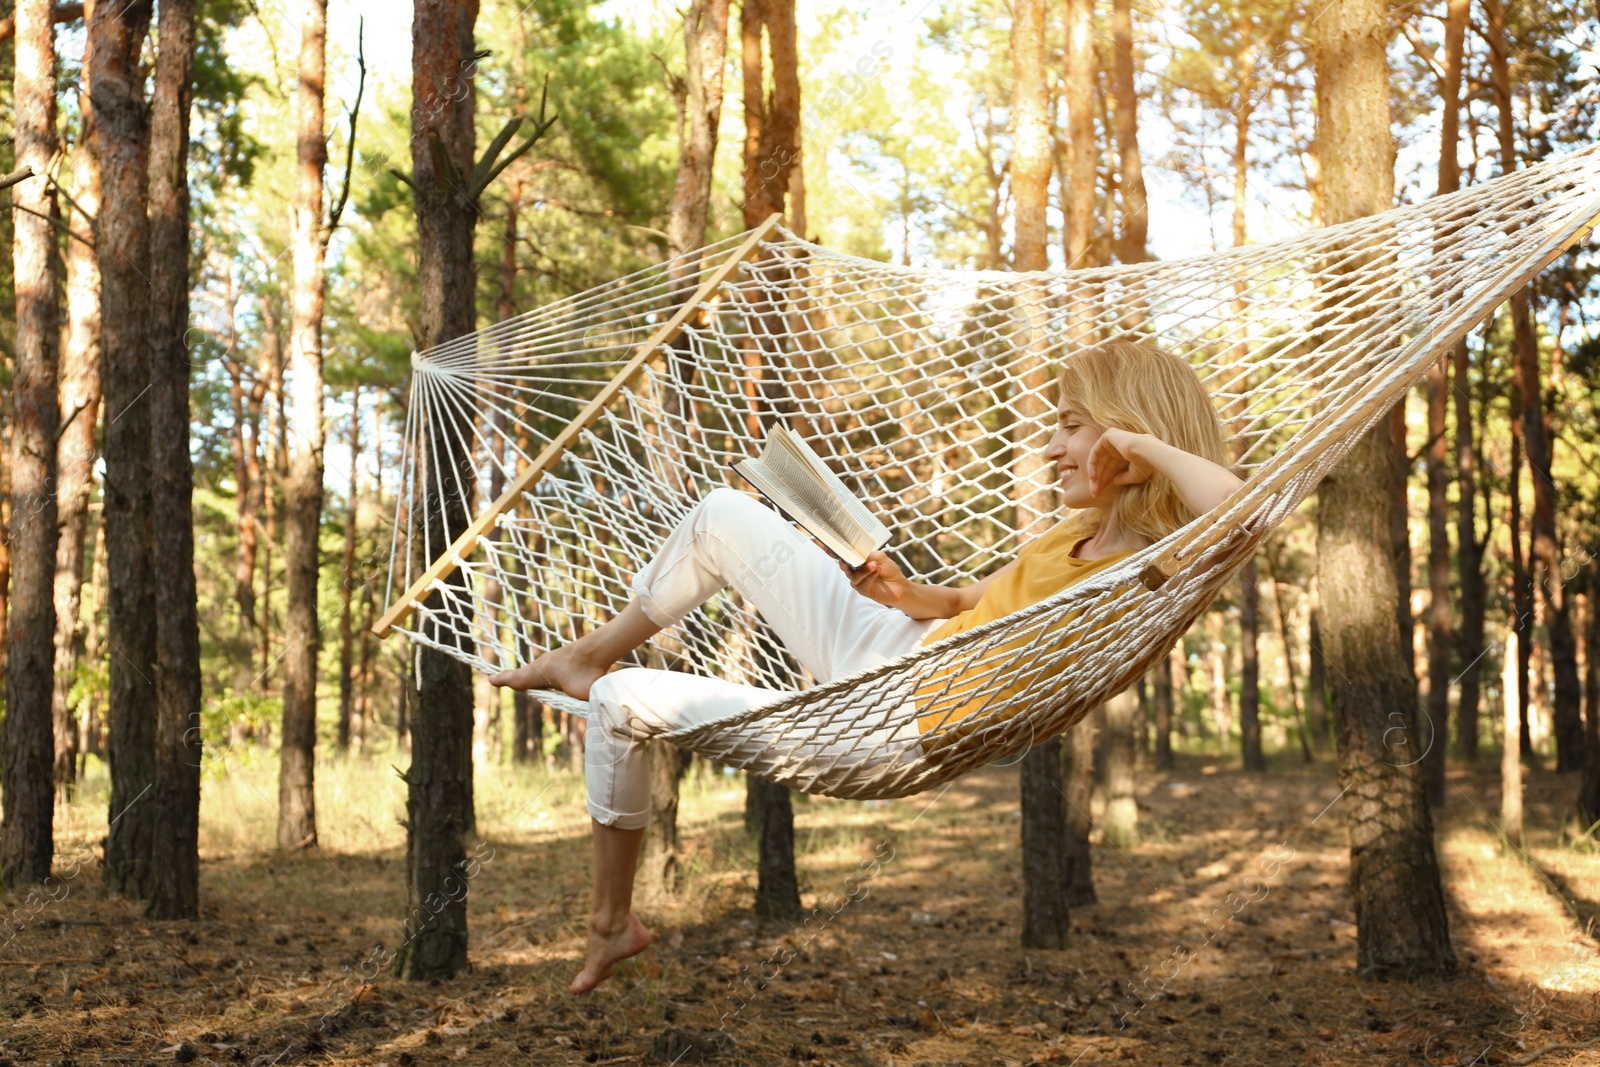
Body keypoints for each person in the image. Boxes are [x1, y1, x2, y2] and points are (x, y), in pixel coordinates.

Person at [490, 340, 1244, 994]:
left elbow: (1244, 512)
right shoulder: (1073, 535)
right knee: (724, 514)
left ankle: (610, 922)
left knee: (623, 703)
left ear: (1126, 435)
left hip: (893, 725)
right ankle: (585, 653)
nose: (1052, 447)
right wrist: (902, 590)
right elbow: (965, 600)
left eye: (1072, 427)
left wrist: (1137, 446)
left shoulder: (1156, 566)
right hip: (891, 650)